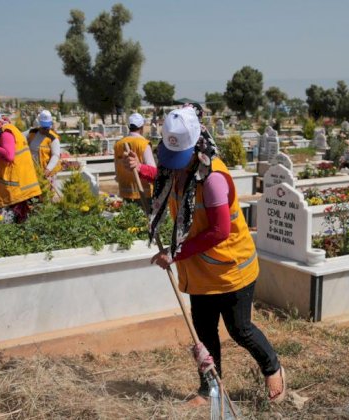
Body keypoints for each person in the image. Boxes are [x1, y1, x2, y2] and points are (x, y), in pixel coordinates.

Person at [147, 106, 285, 406]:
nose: (174, 166)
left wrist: (176, 252)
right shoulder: (174, 171)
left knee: (240, 329)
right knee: (204, 332)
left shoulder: (213, 179)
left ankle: (273, 368)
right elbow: (162, 180)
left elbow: (220, 231)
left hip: (231, 268)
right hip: (200, 272)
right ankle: (211, 389)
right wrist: (140, 170)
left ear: (196, 145)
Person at [0, 103, 41, 223]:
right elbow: (4, 165)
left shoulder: (5, 133)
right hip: (12, 192)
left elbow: (8, 156)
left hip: (19, 194)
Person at [115, 112, 157, 204]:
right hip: (144, 194)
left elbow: (117, 170)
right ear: (142, 128)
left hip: (125, 193)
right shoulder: (143, 144)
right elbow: (152, 170)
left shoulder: (118, 144)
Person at [27, 110, 62, 181]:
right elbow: (19, 136)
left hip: (46, 173)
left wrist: (48, 169)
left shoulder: (53, 138)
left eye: (47, 127)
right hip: (33, 171)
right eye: (43, 127)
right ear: (39, 124)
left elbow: (55, 155)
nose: (45, 130)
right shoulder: (32, 133)